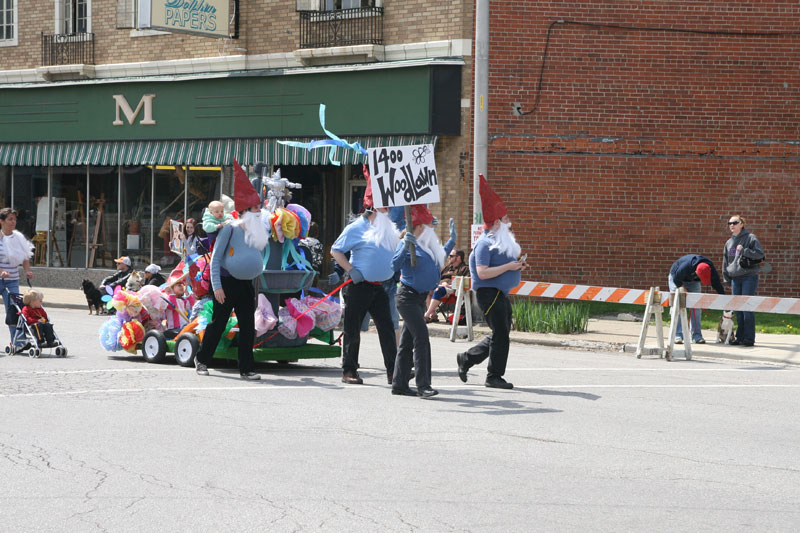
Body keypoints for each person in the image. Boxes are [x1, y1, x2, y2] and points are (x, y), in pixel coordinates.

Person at [195, 162, 268, 381]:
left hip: (246, 284)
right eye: (256, 209)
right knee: (218, 324)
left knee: (247, 326)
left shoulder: (257, 230)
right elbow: (216, 258)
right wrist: (216, 286)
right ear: (245, 211)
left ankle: (246, 368)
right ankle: (202, 359)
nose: (259, 212)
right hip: (226, 284)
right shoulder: (229, 228)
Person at [456, 175, 527, 390]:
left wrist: (517, 265)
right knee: (501, 335)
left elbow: (502, 264)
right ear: (496, 222)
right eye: (505, 219)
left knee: (501, 333)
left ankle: (467, 358)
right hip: (489, 293)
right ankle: (493, 376)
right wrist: (508, 267)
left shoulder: (498, 241)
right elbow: (482, 272)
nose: (509, 222)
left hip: (500, 293)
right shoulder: (484, 244)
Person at [331, 167, 399, 385]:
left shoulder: (387, 227)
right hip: (358, 285)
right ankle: (349, 370)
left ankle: (393, 371)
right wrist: (351, 269)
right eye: (385, 206)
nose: (388, 210)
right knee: (352, 330)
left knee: (387, 329)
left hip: (380, 286)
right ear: (372, 207)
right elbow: (335, 250)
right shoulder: (356, 227)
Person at [390, 205, 457, 399]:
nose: (433, 229)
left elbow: (440, 258)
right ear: (419, 228)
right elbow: (394, 265)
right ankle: (423, 385)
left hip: (419, 298)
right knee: (422, 338)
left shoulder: (427, 246)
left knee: (407, 342)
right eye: (429, 226)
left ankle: (399, 384)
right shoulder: (409, 244)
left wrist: (452, 241)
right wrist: (404, 245)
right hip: (407, 297)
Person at [723, 215, 765, 347]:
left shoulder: (750, 238)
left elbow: (760, 255)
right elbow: (727, 261)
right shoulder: (729, 243)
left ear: (742, 224)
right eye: (730, 223)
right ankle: (739, 337)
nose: (732, 225)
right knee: (738, 309)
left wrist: (745, 251)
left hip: (749, 277)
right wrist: (727, 278)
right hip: (735, 278)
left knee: (747, 308)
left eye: (735, 222)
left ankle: (748, 338)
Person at [668, 254, 726, 344]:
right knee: (677, 305)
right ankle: (677, 335)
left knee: (697, 307)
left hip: (693, 282)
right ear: (697, 273)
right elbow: (676, 279)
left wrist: (724, 301)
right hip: (676, 277)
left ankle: (697, 336)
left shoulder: (710, 269)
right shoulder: (685, 266)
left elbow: (717, 285)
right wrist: (683, 289)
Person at [0, 207, 34, 349]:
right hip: (1, 276)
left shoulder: (18, 237)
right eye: (10, 219)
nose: (13, 222)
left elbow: (25, 256)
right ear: (1, 221)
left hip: (12, 280)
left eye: (15, 219)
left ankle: (18, 341)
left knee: (14, 310)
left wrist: (27, 271)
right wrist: (1, 271)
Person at [424, 249, 470, 322]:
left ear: (458, 258)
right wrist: (440, 283)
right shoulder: (448, 267)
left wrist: (450, 285)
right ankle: (433, 315)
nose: (449, 257)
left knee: (438, 290)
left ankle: (426, 315)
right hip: (441, 287)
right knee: (427, 289)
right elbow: (438, 278)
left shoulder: (465, 268)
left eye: (451, 256)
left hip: (453, 290)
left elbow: (466, 282)